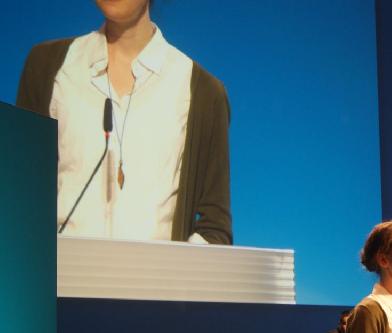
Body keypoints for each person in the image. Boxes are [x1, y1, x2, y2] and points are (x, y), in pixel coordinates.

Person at [16, 0, 232, 244]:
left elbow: (214, 227)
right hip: (60, 269)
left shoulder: (202, 93)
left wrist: (181, 267)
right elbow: (21, 198)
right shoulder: (49, 67)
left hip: (156, 269)